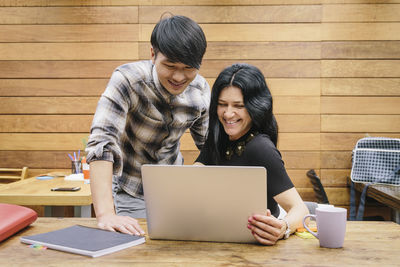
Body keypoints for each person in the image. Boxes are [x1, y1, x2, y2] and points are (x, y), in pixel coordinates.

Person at [85, 15, 210, 236]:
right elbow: (102, 142)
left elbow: (210, 147)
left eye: (189, 68)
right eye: (169, 66)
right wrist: (105, 214)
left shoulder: (200, 91)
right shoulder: (127, 80)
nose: (179, 77)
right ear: (153, 54)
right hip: (132, 188)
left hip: (175, 189)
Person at [195, 63, 309, 245]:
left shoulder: (261, 148)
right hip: (218, 238)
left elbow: (301, 209)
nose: (228, 113)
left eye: (238, 106)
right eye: (222, 104)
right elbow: (194, 176)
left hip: (254, 245)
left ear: (255, 107)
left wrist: (282, 228)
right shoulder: (219, 137)